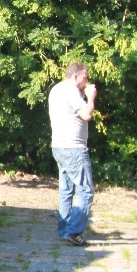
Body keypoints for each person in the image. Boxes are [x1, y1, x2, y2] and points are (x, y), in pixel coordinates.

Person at [49, 61, 97, 247]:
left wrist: (83, 94)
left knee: (66, 191)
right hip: (74, 148)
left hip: (59, 146)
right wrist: (91, 97)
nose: (86, 81)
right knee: (85, 189)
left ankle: (65, 231)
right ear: (75, 76)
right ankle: (74, 232)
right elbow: (86, 115)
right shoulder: (71, 91)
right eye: (85, 77)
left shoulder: (57, 89)